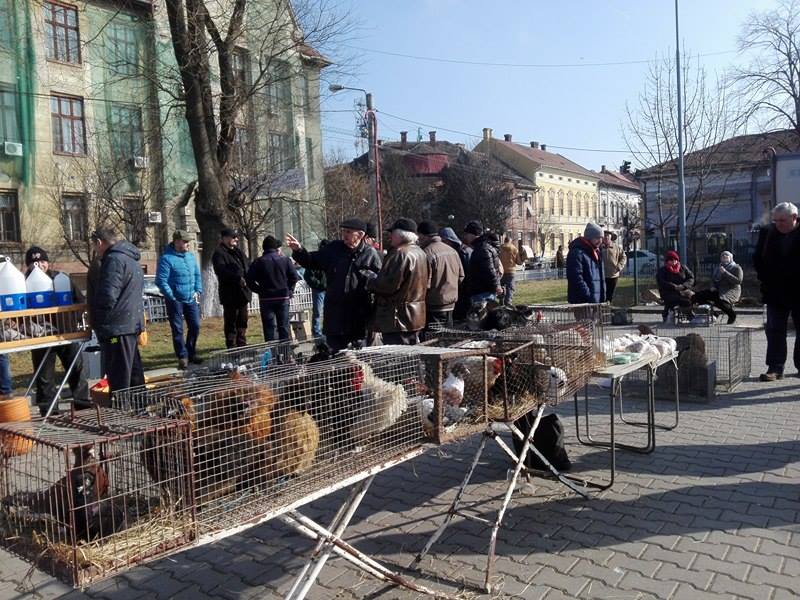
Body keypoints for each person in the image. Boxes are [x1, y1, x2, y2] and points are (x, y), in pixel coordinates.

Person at [287, 218, 382, 351]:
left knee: (358, 358)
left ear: (360, 235)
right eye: (343, 231)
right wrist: (299, 250)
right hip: (335, 316)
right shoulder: (334, 249)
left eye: (348, 232)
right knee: (337, 357)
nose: (344, 235)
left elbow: (379, 282)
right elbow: (312, 260)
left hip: (358, 316)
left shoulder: (370, 254)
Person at [24, 246, 91, 416]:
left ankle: (82, 402)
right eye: (34, 262)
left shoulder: (60, 278)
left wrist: (72, 322)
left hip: (65, 333)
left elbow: (79, 301)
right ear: (28, 266)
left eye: (42, 261)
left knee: (76, 367)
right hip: (41, 336)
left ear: (48, 262)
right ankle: (48, 408)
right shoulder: (24, 282)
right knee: (44, 375)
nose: (39, 265)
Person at [88, 228, 145, 396]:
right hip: (130, 324)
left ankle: (121, 413)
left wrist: (98, 320)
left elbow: (107, 296)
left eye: (94, 246)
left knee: (119, 375)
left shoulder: (113, 260)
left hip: (116, 328)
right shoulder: (130, 258)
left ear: (99, 242)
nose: (96, 251)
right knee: (133, 372)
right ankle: (139, 408)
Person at [753, 201, 800, 381]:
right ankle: (775, 368)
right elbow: (757, 257)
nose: (778, 224)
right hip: (775, 291)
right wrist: (765, 278)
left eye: (782, 220)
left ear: (794, 218)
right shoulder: (767, 232)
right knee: (774, 331)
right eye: (775, 220)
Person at [365, 218, 428, 345]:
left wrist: (369, 280)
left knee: (398, 359)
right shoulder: (420, 252)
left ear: (401, 235)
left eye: (392, 234)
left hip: (397, 318)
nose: (390, 237)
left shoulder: (400, 254)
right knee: (411, 356)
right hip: (415, 314)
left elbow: (388, 286)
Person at [156, 230, 203, 370]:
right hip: (175, 300)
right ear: (176, 242)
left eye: (188, 241)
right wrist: (171, 295)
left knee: (195, 326)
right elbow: (161, 281)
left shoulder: (191, 257)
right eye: (185, 241)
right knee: (177, 329)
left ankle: (191, 351)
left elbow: (196, 274)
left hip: (191, 298)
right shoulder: (166, 259)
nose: (188, 244)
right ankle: (182, 356)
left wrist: (198, 290)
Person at [246, 235, 300, 342]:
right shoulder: (285, 260)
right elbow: (294, 277)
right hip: (283, 297)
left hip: (266, 299)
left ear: (264, 248)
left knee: (269, 328)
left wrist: (259, 290)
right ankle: (284, 353)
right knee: (283, 327)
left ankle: (271, 353)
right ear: (276, 247)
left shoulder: (258, 262)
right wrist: (289, 290)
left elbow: (249, 279)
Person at [417, 221, 464, 333]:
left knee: (433, 340)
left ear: (424, 236)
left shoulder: (426, 253)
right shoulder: (452, 251)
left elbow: (424, 284)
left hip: (434, 305)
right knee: (447, 339)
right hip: (451, 303)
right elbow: (461, 276)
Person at [212, 228, 252, 348]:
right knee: (231, 321)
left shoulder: (238, 252)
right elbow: (221, 271)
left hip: (242, 293)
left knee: (243, 320)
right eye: (233, 237)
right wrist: (237, 278)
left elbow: (247, 266)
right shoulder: (219, 253)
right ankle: (232, 345)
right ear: (224, 238)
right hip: (230, 294)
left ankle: (242, 343)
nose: (236, 239)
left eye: (236, 237)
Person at [692, 251, 742, 324]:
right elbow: (713, 279)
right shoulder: (718, 268)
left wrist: (725, 272)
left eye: (726, 256)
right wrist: (712, 286)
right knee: (697, 296)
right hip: (718, 289)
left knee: (720, 301)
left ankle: (732, 315)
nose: (724, 258)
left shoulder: (736, 268)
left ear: (730, 258)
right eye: (722, 257)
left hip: (731, 290)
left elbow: (738, 281)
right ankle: (714, 313)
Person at [567, 223, 606, 304]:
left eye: (601, 238)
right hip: (583, 302)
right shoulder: (577, 253)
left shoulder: (596, 252)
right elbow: (576, 278)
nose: (600, 241)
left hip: (596, 301)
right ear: (589, 237)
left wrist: (602, 297)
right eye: (597, 238)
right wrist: (588, 296)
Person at [440, 227, 473, 321]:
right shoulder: (463, 250)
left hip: (464, 291)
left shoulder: (463, 252)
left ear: (448, 240)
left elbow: (466, 274)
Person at [656, 250, 695, 322]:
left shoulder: (683, 268)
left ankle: (689, 313)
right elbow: (662, 282)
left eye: (675, 259)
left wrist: (684, 286)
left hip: (683, 290)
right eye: (671, 260)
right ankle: (689, 315)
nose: (673, 261)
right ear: (667, 261)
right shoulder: (663, 270)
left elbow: (691, 278)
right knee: (683, 301)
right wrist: (674, 286)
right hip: (668, 292)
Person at [468, 228, 503, 303]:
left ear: (472, 235)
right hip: (486, 290)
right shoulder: (485, 247)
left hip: (482, 291)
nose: (466, 237)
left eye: (467, 234)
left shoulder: (482, 248)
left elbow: (489, 269)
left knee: (482, 313)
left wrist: (496, 285)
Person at [303, 240, 329, 338]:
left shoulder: (331, 260)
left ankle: (326, 330)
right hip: (319, 290)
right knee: (318, 312)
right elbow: (308, 276)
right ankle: (316, 332)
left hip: (329, 289)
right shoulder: (316, 260)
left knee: (329, 311)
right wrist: (318, 284)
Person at [601, 231, 626, 303]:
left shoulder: (616, 247)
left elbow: (623, 257)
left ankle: (608, 308)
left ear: (610, 238)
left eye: (607, 237)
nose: (606, 238)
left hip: (613, 275)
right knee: (603, 294)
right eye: (604, 236)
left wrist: (619, 266)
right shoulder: (599, 248)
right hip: (602, 275)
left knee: (610, 294)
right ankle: (603, 308)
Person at [499, 236, 522, 306]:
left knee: (501, 287)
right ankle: (508, 303)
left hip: (501, 271)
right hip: (511, 271)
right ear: (510, 241)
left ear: (504, 241)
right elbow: (519, 262)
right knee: (510, 288)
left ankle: (501, 301)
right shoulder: (514, 249)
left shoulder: (500, 248)